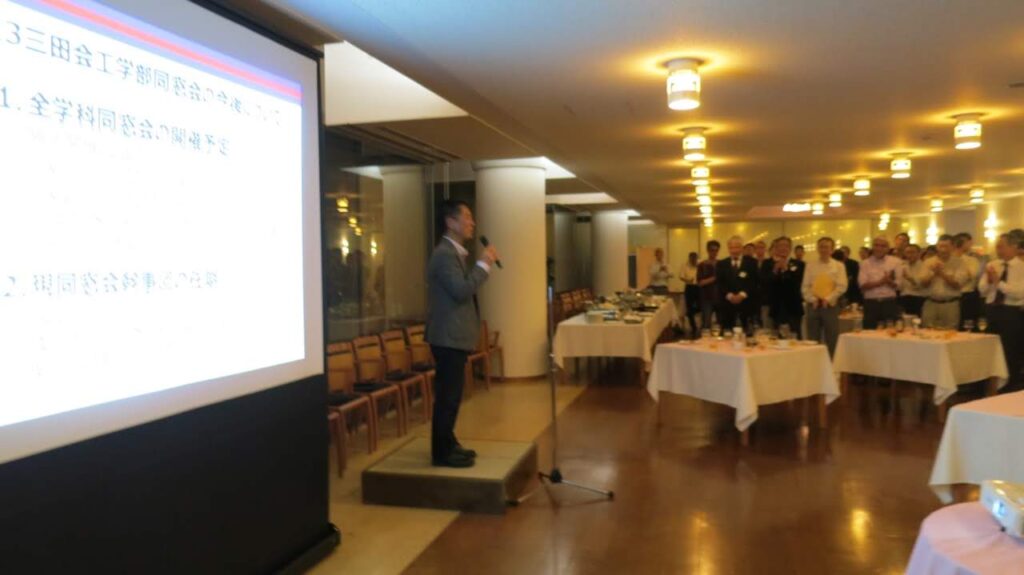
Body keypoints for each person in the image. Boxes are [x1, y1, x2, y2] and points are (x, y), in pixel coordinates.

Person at [425, 200, 499, 468]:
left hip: (453, 337)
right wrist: (484, 264)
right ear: (450, 222)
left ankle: (449, 442)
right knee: (448, 396)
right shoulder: (445, 254)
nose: (472, 222)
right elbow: (460, 290)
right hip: (447, 337)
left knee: (453, 395)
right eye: (466, 217)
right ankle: (441, 452)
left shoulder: (454, 253)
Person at [979, 233, 1024, 393]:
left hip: (1011, 312)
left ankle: (1009, 387)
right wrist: (989, 281)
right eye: (997, 247)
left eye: (1001, 246)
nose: (998, 250)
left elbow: (1019, 293)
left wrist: (998, 282)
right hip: (992, 309)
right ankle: (988, 385)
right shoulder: (992, 265)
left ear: (1014, 247)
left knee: (1009, 350)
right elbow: (982, 290)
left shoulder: (1021, 266)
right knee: (989, 348)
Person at [802, 237, 848, 355]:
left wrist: (828, 299)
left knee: (832, 338)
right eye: (821, 247)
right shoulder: (810, 265)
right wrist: (812, 299)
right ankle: (814, 363)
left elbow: (842, 286)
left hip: (830, 306)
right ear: (818, 248)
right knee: (812, 339)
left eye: (826, 247)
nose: (823, 249)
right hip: (813, 305)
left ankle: (833, 364)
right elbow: (805, 286)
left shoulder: (839, 266)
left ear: (832, 249)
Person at [919, 234, 968, 329]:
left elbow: (957, 284)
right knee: (927, 331)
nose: (943, 249)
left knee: (950, 332)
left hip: (950, 304)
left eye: (946, 246)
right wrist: (933, 274)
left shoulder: (959, 263)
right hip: (931, 303)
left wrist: (941, 273)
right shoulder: (928, 262)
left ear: (952, 247)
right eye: (940, 246)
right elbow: (922, 284)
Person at [760, 236, 804, 337]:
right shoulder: (767, 263)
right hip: (775, 306)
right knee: (775, 337)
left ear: (790, 248)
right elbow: (765, 283)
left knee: (794, 337)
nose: (783, 248)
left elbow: (798, 284)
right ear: (775, 248)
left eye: (786, 246)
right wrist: (775, 270)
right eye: (780, 245)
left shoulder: (799, 264)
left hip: (793, 307)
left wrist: (786, 270)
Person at [715, 235, 759, 330]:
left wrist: (742, 295)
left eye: (737, 247)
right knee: (727, 332)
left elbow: (754, 282)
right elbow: (719, 283)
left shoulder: (752, 262)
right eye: (731, 248)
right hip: (727, 306)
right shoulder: (721, 264)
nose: (734, 250)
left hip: (747, 304)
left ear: (742, 248)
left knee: (747, 332)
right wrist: (730, 296)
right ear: (728, 249)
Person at [858, 236, 903, 329]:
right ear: (872, 247)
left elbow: (899, 286)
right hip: (871, 303)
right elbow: (862, 285)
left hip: (889, 303)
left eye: (883, 246)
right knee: (869, 333)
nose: (879, 248)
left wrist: (889, 281)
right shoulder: (865, 263)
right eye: (876, 245)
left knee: (890, 333)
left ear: (888, 248)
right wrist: (881, 282)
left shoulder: (896, 262)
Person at [954, 233, 981, 329]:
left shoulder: (971, 260)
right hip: (951, 296)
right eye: (969, 243)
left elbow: (973, 275)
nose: (971, 245)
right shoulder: (950, 259)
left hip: (967, 296)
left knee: (966, 324)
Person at [898, 244, 927, 317]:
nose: (910, 255)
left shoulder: (924, 266)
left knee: (917, 321)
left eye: (912, 252)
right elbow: (899, 286)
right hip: (904, 298)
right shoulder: (902, 266)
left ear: (919, 253)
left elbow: (922, 285)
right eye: (907, 252)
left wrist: (909, 278)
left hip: (918, 298)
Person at [697, 240, 720, 330]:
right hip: (706, 298)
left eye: (716, 250)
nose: (714, 252)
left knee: (721, 323)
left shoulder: (721, 264)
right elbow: (700, 283)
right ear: (708, 250)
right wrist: (714, 278)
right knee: (706, 324)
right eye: (712, 250)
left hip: (720, 297)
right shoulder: (702, 265)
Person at [680, 252, 700, 335]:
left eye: (695, 258)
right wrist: (688, 280)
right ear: (689, 258)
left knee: (700, 306)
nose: (693, 260)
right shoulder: (684, 265)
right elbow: (681, 276)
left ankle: (689, 313)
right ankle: (693, 327)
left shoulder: (700, 265)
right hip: (689, 287)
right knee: (689, 307)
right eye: (692, 258)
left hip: (699, 287)